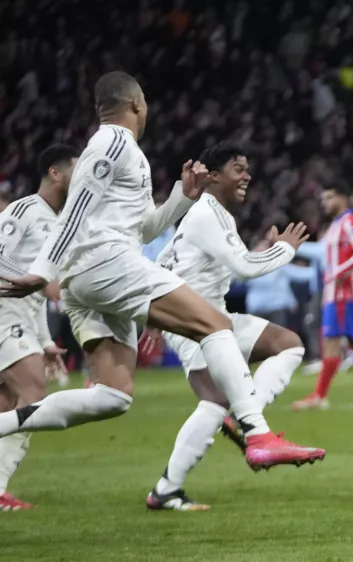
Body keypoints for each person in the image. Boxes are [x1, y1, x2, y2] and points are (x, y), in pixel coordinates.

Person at [0, 71, 324, 471]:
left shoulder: (121, 152)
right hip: (105, 264)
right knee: (216, 325)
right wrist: (41, 270)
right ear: (137, 104)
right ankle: (257, 434)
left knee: (112, 396)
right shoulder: (114, 141)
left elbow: (143, 229)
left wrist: (180, 199)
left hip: (91, 276)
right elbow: (76, 208)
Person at [138, 142, 314, 511]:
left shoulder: (212, 214)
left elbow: (170, 260)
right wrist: (285, 249)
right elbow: (245, 267)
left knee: (289, 343)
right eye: (238, 168)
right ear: (214, 176)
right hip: (192, 321)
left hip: (212, 316)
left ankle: (244, 415)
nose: (246, 175)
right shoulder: (206, 213)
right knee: (214, 400)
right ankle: (167, 489)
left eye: (247, 168)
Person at [0, 145, 78, 510]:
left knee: (7, 405)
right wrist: (40, 280)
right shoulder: (24, 210)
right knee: (33, 392)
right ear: (55, 173)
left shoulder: (61, 223)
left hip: (23, 320)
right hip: (3, 313)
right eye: (77, 170)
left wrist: (45, 340)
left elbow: (40, 295)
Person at [291, 182, 353, 410]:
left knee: (331, 342)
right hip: (339, 294)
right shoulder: (336, 226)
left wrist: (338, 272)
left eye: (329, 198)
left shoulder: (349, 222)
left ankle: (319, 396)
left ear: (342, 198)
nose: (324, 203)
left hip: (342, 295)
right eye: (323, 199)